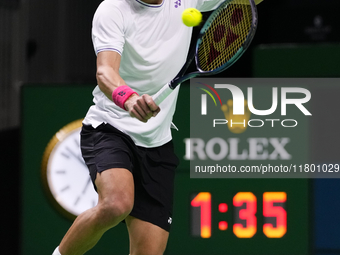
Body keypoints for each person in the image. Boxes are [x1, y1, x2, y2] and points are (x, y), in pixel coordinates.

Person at [52, 0, 224, 254]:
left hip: (157, 143)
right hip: (111, 128)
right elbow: (105, 71)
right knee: (116, 204)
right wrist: (128, 98)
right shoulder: (113, 10)